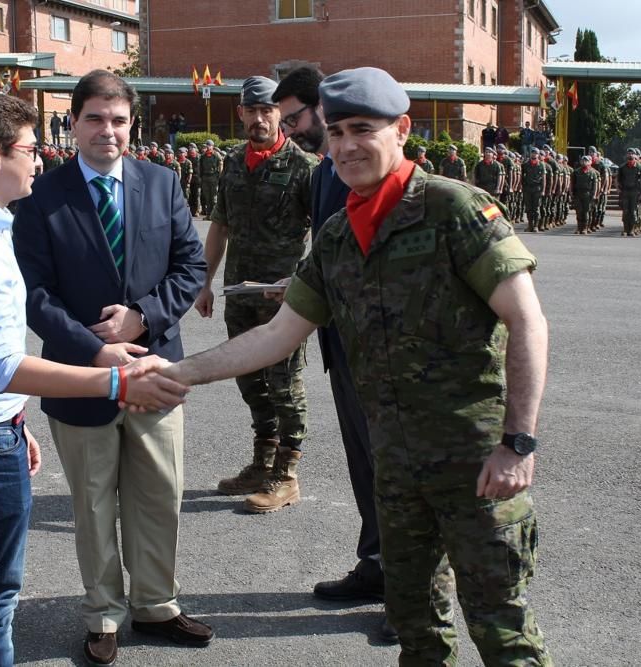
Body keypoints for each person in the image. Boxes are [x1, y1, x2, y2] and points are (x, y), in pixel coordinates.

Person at [162, 66, 553, 665]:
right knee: (418, 632)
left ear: (402, 129)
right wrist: (177, 373)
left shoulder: (456, 211)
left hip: (475, 468)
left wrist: (517, 444)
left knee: (504, 635)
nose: (346, 145)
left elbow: (528, 323)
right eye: (337, 130)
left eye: (362, 129)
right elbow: (275, 336)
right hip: (394, 472)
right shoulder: (340, 237)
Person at [0, 87, 187, 667]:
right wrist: (112, 378)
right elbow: (3, 363)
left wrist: (13, 418)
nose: (40, 156)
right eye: (31, 147)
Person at [11, 70, 212, 667]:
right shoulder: (42, 195)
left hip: (155, 368)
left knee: (158, 493)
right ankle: (103, 612)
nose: (108, 130)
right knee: (93, 503)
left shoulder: (162, 182)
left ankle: (156, 604)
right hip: (80, 376)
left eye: (118, 119)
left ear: (133, 125)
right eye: (95, 118)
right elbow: (34, 292)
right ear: (73, 123)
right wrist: (97, 348)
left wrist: (141, 319)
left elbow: (190, 266)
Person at [273, 65, 395, 642]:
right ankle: (376, 566)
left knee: (398, 471)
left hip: (391, 352)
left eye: (296, 117)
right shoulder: (325, 171)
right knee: (364, 463)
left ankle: (410, 591)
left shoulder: (382, 176)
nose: (291, 129)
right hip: (342, 343)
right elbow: (328, 248)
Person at [196, 75, 318, 513]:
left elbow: (325, 234)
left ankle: (287, 475)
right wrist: (204, 281)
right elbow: (220, 225)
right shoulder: (232, 162)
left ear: (279, 114)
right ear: (242, 113)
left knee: (286, 384)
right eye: (253, 110)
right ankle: (262, 462)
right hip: (239, 293)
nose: (260, 118)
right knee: (250, 381)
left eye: (268, 110)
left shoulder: (305, 167)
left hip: (284, 300)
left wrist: (303, 284)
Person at [616, 148, 641, 237]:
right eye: (629, 153)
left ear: (636, 155)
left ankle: (631, 229)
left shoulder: (640, 167)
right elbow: (617, 180)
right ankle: (625, 229)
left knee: (633, 212)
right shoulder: (622, 167)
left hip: (635, 192)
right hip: (625, 191)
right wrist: (618, 188)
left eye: (632, 153)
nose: (630, 155)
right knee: (625, 211)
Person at [572, 154, 599, 235]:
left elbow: (595, 185)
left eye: (586, 161)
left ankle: (585, 228)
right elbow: (572, 183)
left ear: (589, 162)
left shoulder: (592, 173)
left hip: (588, 194)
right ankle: (579, 227)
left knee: (586, 212)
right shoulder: (576, 172)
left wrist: (594, 194)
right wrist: (571, 192)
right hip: (578, 193)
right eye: (583, 161)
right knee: (579, 211)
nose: (584, 162)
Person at [521, 147, 547, 232]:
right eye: (532, 153)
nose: (534, 154)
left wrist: (543, 190)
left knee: (536, 208)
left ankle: (536, 226)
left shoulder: (541, 165)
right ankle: (530, 225)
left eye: (535, 153)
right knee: (528, 208)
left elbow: (544, 178)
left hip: (537, 188)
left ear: (538, 154)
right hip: (528, 188)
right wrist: (522, 187)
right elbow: (522, 177)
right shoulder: (525, 164)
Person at [198, 139, 222, 218]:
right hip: (205, 177)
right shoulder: (203, 156)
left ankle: (214, 215)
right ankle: (208, 215)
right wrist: (200, 177)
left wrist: (219, 176)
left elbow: (220, 165)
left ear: (212, 146)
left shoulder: (216, 155)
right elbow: (200, 167)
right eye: (207, 145)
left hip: (214, 177)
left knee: (214, 197)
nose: (208, 147)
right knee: (207, 197)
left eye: (209, 145)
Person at [187, 143, 201, 215]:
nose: (191, 149)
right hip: (190, 180)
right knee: (191, 196)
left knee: (197, 195)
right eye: (190, 148)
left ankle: (197, 210)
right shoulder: (188, 158)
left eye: (192, 148)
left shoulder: (200, 157)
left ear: (196, 149)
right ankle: (192, 210)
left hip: (197, 179)